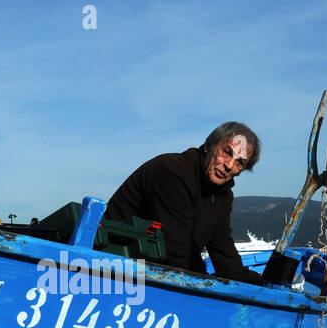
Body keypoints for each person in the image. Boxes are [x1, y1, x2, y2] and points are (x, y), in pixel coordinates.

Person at [105, 122, 264, 285]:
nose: (229, 165)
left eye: (239, 162)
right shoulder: (173, 171)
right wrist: (202, 285)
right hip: (112, 264)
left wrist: (248, 280)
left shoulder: (223, 195)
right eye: (226, 152)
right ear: (209, 146)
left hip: (150, 270)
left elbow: (221, 244)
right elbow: (177, 246)